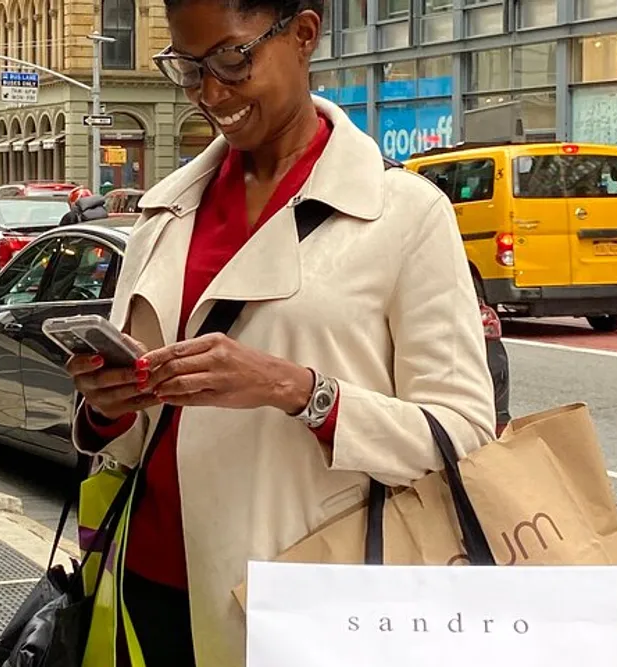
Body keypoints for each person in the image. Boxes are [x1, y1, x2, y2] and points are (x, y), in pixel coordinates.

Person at [65, 0, 496, 664]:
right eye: (188, 68)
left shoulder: (404, 215)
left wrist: (296, 390)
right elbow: (136, 434)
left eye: (232, 60)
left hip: (306, 601)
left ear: (303, 34)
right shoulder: (164, 212)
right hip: (143, 583)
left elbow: (464, 433)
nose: (211, 94)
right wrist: (104, 407)